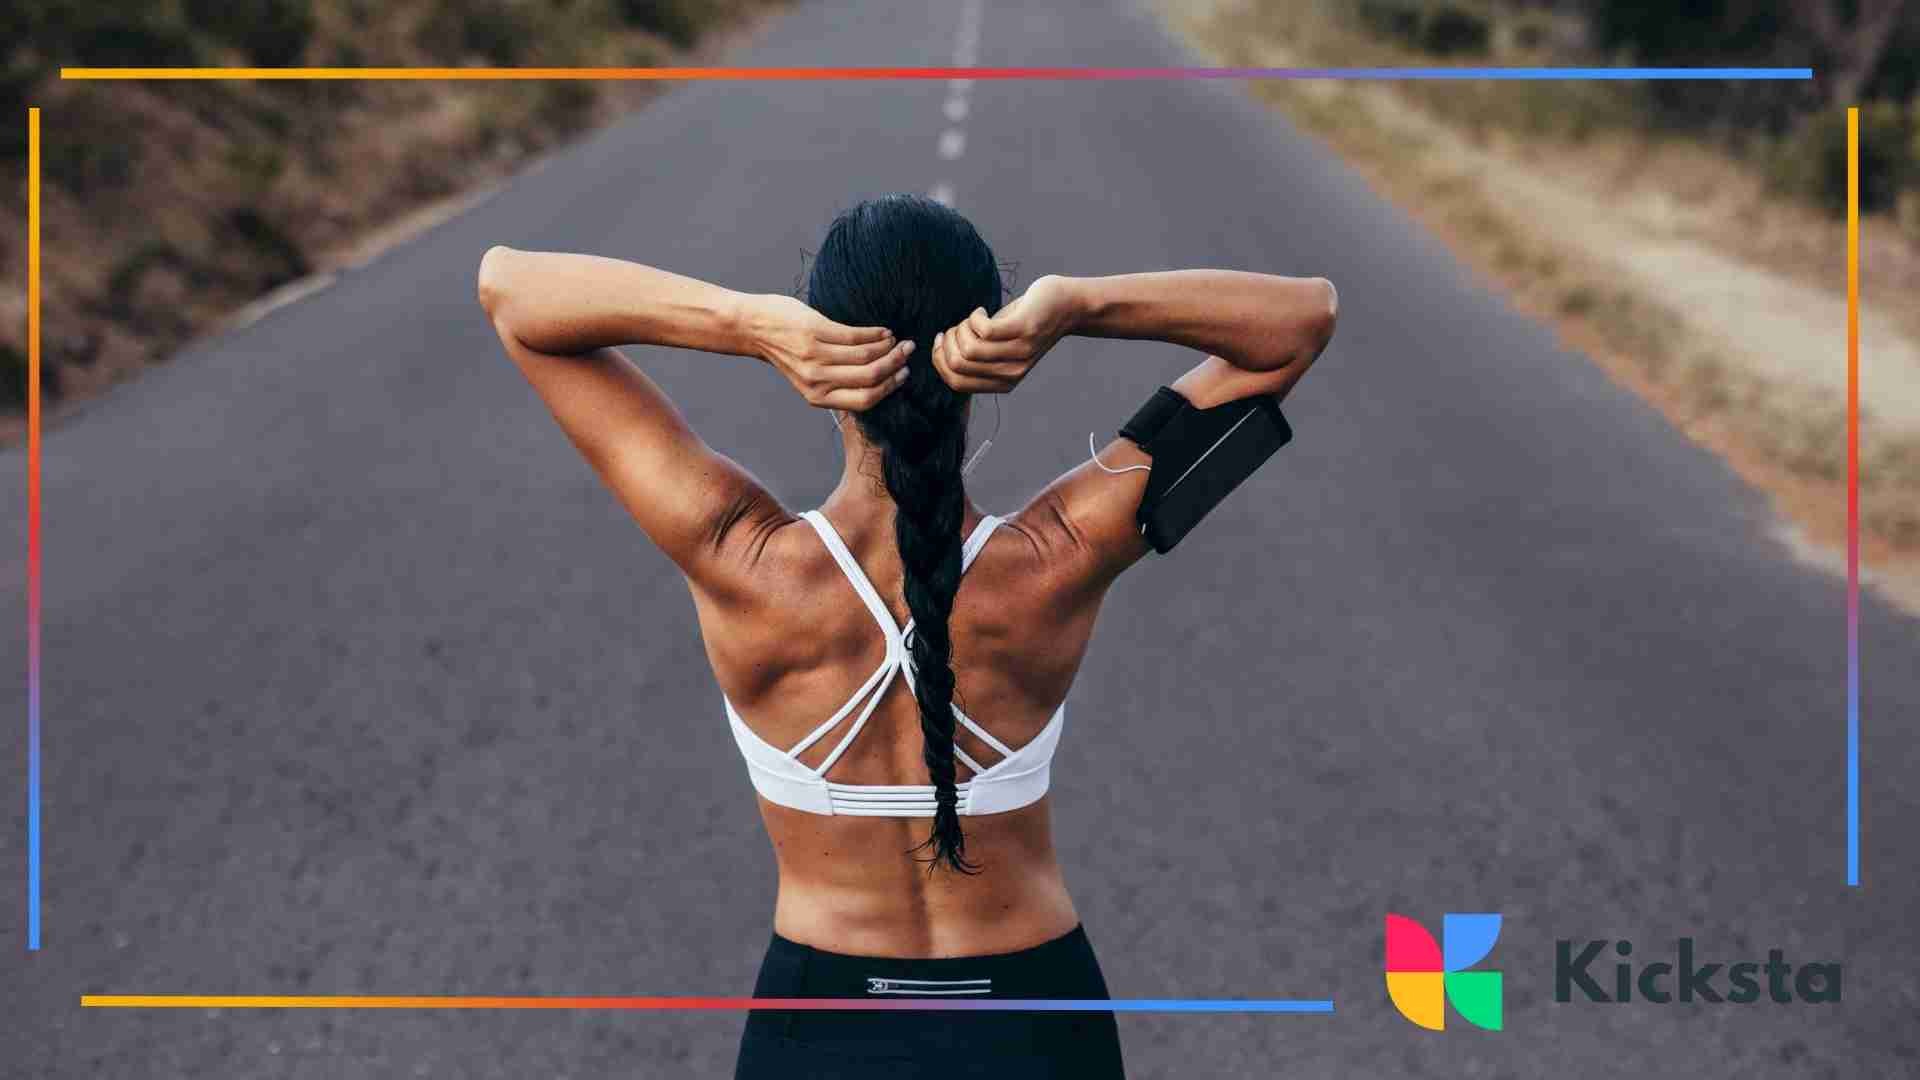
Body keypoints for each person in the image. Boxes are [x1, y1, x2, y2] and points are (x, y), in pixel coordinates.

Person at [475, 194, 1337, 1079]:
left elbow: (511, 292)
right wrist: (1075, 305)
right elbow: (1300, 323)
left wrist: (747, 324)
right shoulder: (1060, 557)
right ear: (989, 345)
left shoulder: (740, 556)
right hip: (1038, 1023)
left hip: (819, 1029)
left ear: (819, 348)